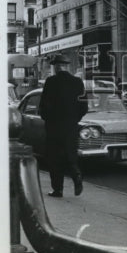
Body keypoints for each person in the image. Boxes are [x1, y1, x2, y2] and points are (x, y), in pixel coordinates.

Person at [38, 53, 88, 198]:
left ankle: (57, 189)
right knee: (70, 154)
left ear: (56, 67)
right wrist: (74, 119)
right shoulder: (78, 82)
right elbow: (84, 106)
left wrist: (47, 118)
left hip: (53, 126)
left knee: (54, 158)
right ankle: (76, 175)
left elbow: (44, 106)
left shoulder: (51, 82)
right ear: (67, 66)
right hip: (71, 126)